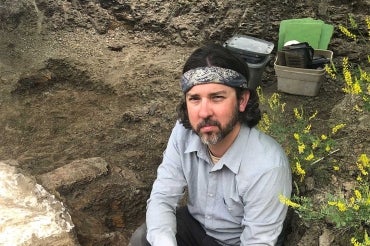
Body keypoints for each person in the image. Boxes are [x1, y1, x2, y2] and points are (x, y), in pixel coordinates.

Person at [129, 43, 292, 246]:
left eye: (217, 98)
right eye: (194, 99)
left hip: (238, 242)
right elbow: (163, 196)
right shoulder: (183, 133)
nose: (204, 112)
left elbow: (257, 242)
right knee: (143, 239)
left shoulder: (267, 166)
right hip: (196, 228)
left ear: (242, 100)